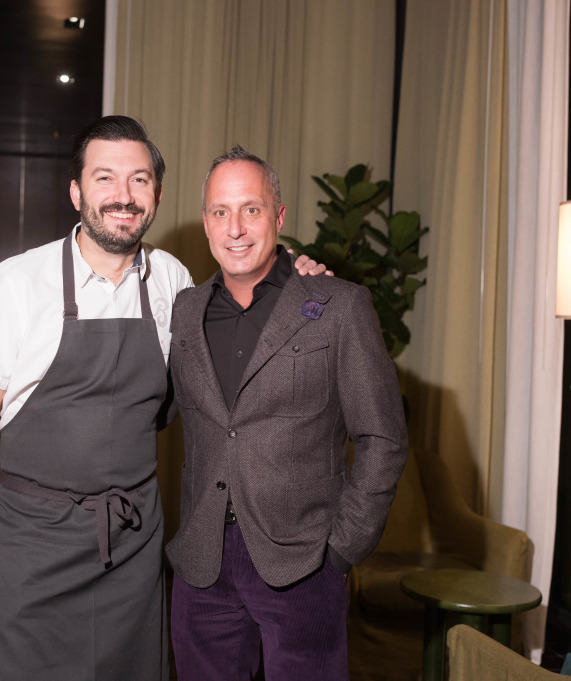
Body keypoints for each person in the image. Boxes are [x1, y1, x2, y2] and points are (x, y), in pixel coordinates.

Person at [0, 117, 325, 681]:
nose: (123, 196)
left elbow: (241, 306)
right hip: (30, 545)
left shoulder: (172, 280)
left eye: (139, 180)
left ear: (157, 195)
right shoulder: (18, 283)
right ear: (76, 191)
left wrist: (295, 269)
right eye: (105, 178)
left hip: (132, 546)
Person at [166, 146, 409, 681]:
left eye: (251, 209)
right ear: (205, 222)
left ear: (278, 217)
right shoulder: (184, 313)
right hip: (202, 565)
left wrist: (340, 552)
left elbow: (384, 437)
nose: (235, 228)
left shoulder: (338, 306)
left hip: (303, 565)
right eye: (220, 211)